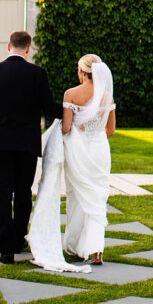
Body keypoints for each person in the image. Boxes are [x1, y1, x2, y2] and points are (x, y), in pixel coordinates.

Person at [0, 30, 62, 264]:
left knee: (1, 193)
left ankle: (6, 249)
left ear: (8, 46)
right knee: (23, 192)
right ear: (28, 48)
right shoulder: (37, 73)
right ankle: (18, 239)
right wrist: (71, 108)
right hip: (26, 144)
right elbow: (48, 107)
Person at [27, 53, 115, 272]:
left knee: (76, 195)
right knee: (97, 197)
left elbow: (66, 127)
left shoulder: (71, 94)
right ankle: (96, 249)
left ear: (82, 72)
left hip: (78, 150)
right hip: (100, 151)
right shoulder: (107, 97)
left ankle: (74, 245)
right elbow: (110, 130)